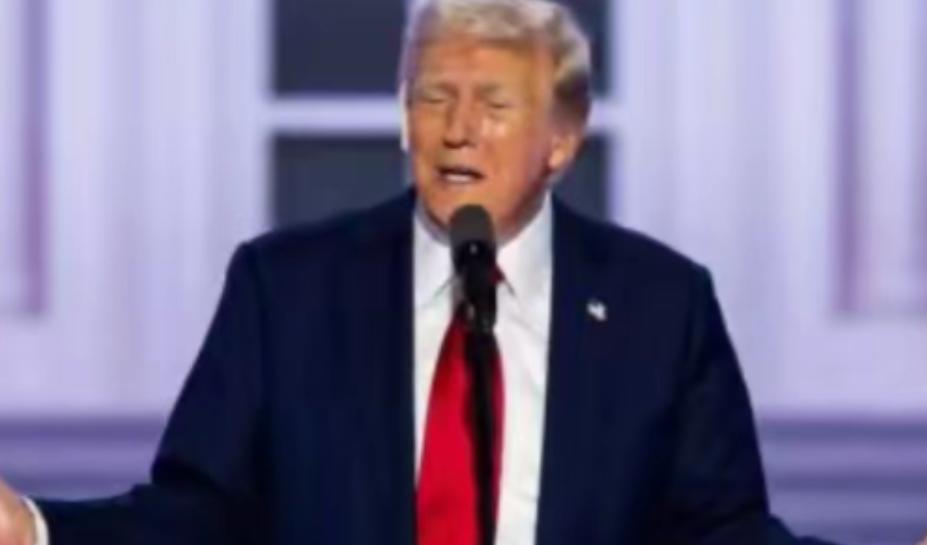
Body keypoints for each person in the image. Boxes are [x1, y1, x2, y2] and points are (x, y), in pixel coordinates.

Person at [0, 1, 925, 544]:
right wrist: (36, 529)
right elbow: (197, 517)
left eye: (493, 104)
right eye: (432, 97)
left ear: (562, 138)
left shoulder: (659, 304)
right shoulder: (288, 290)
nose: (455, 129)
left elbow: (719, 534)